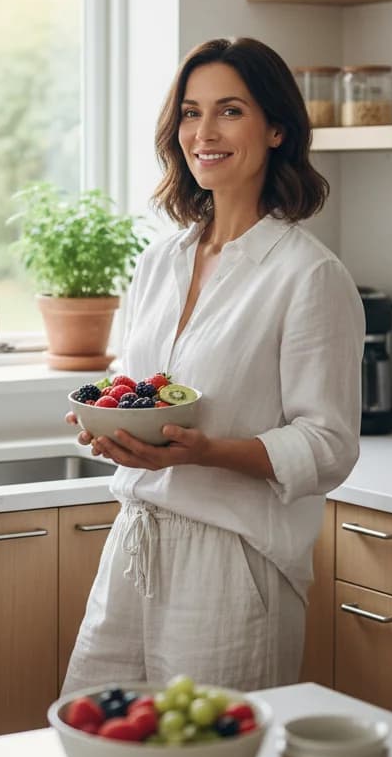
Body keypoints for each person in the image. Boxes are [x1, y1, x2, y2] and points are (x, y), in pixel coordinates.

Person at [62, 36, 364, 694]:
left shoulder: (308, 274)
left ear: (277, 128)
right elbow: (138, 386)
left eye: (230, 111)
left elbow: (331, 444)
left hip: (233, 563)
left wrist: (206, 452)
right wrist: (109, 425)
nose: (205, 132)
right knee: (92, 734)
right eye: (191, 113)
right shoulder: (161, 260)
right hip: (135, 545)